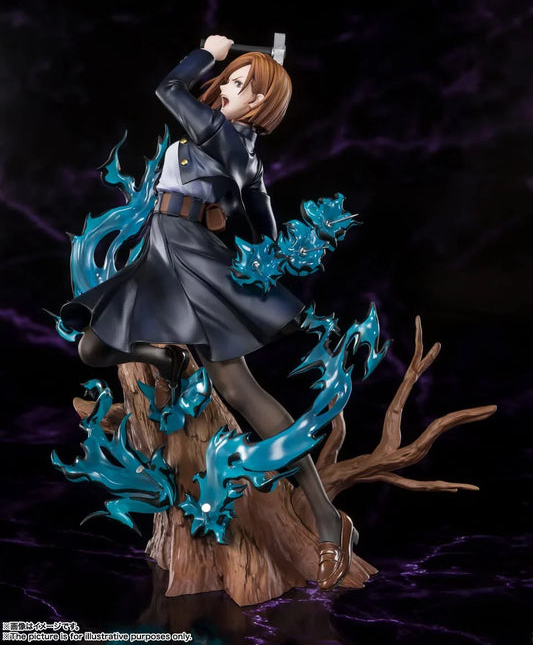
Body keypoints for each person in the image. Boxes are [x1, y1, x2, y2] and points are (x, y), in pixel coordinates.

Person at [59, 35, 356, 590]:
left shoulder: (223, 135)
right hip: (159, 254)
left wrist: (210, 53)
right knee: (92, 348)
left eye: (241, 87)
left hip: (189, 260)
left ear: (261, 105)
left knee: (240, 390)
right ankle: (167, 361)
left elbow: (169, 88)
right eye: (229, 80)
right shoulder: (241, 152)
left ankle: (327, 519)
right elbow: (263, 220)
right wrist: (268, 252)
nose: (225, 91)